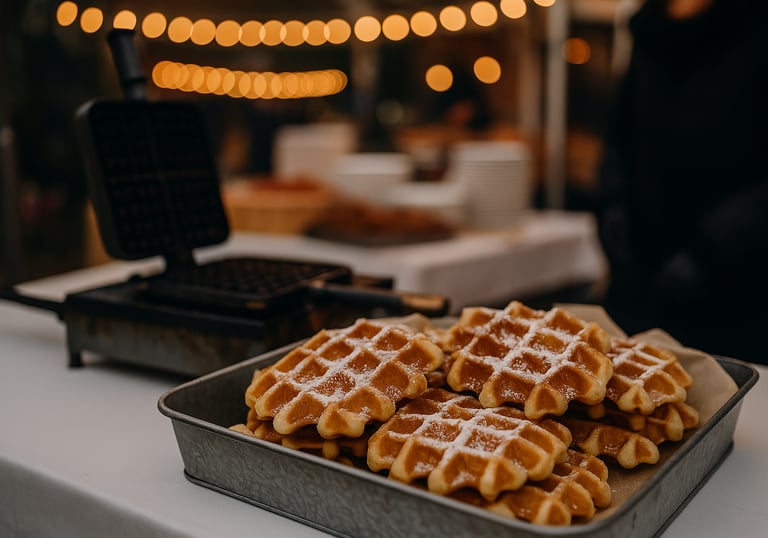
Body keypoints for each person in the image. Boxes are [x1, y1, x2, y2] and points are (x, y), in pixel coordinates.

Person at [596, 0, 768, 363]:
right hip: (641, 275)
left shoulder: (755, 27)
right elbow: (620, 136)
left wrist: (712, 248)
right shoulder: (649, 30)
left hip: (737, 287)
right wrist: (613, 204)